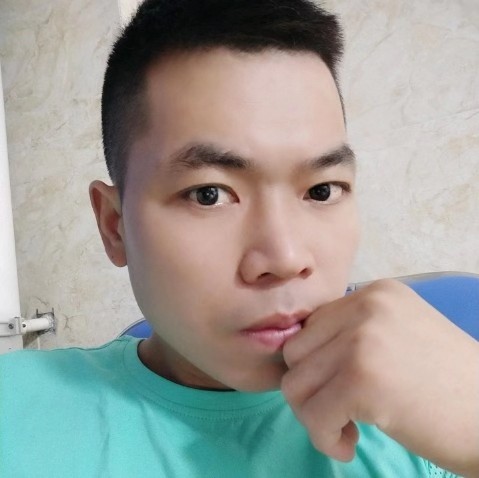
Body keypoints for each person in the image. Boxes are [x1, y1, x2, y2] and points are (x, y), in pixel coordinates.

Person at [1, 0, 478, 476]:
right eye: (208, 194)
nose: (285, 258)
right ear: (114, 225)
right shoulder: (17, 411)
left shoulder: (426, 418)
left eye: (321, 190)